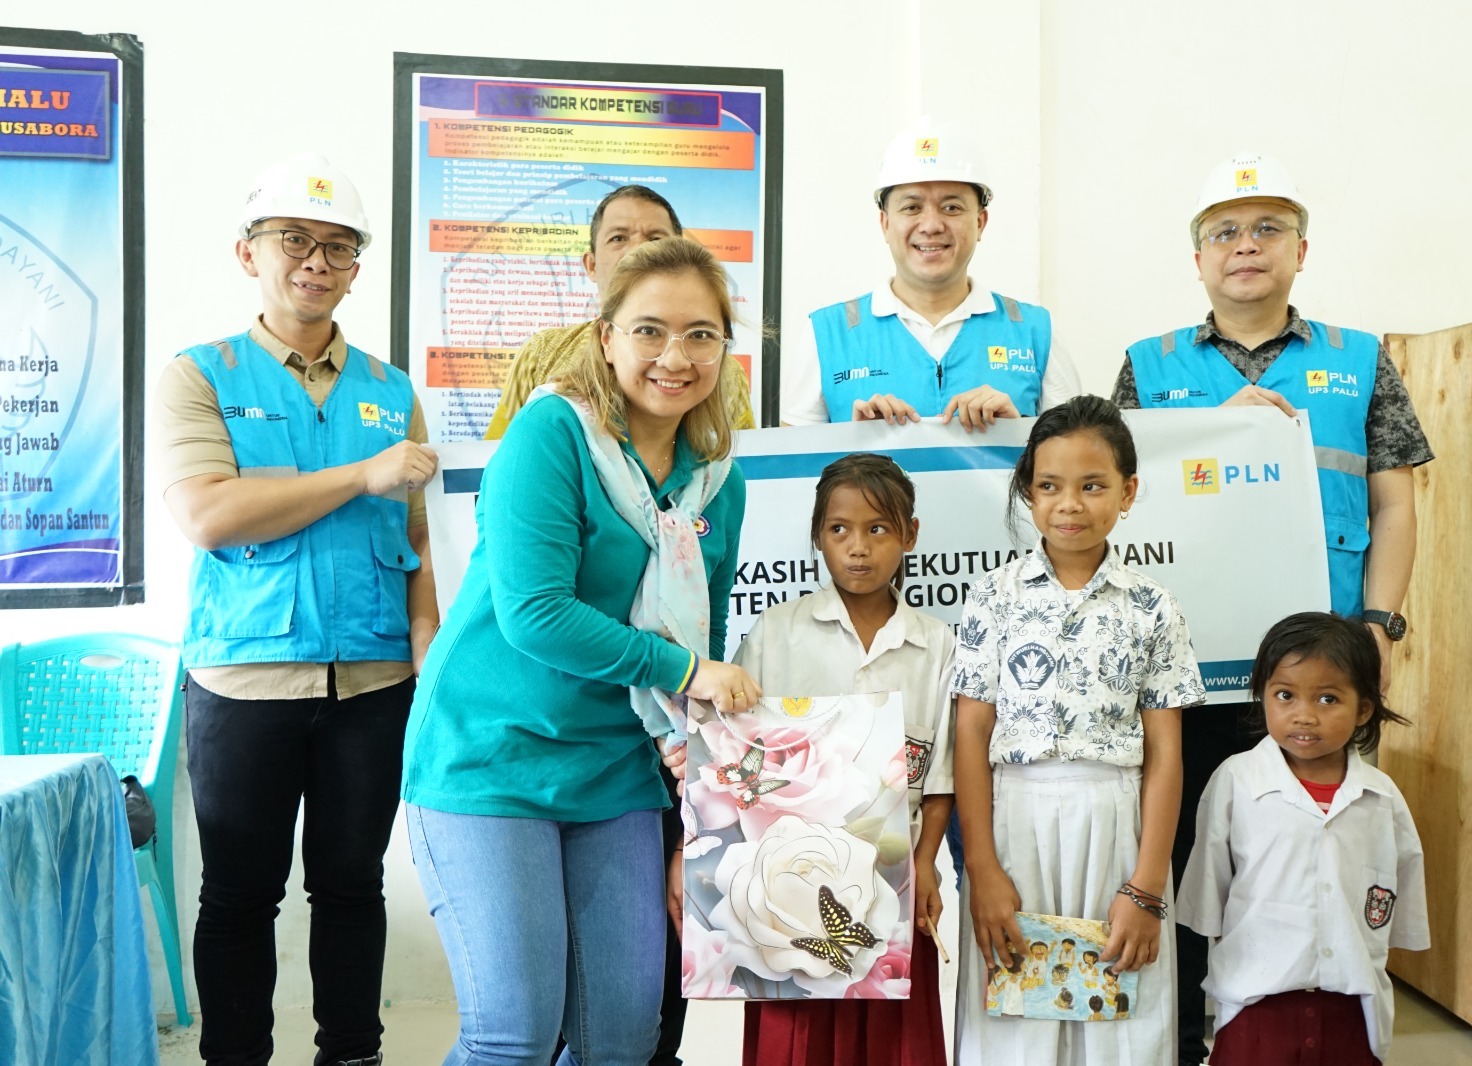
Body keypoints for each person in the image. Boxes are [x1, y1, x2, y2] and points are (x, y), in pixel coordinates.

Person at [401, 236, 761, 1065]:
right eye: (650, 331)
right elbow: (535, 614)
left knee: (621, 1041)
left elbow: (700, 632)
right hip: (490, 757)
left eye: (701, 334)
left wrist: (694, 759)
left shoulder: (719, 480)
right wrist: (685, 673)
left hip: (614, 769)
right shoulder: (552, 433)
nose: (676, 356)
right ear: (607, 337)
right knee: (513, 1037)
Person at [1112, 151, 1434, 1066]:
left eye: (1267, 229)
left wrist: (1380, 623)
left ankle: (1324, 1033)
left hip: (1319, 672)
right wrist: (1227, 433)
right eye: (1225, 232)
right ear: (1199, 259)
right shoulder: (1147, 365)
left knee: (1316, 855)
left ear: (1300, 250)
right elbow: (1118, 498)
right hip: (1189, 668)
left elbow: (1395, 502)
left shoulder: (1359, 360)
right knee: (1188, 854)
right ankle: (1189, 1039)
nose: (1245, 246)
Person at [158, 153, 438, 1066]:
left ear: (356, 267)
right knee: (240, 893)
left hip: (374, 678)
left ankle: (351, 1054)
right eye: (294, 240)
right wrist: (360, 474)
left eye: (339, 247)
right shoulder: (201, 374)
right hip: (244, 678)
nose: (317, 261)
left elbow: (420, 537)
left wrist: (429, 656)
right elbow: (210, 513)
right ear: (249, 253)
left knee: (354, 887)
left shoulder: (391, 390)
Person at [951, 396, 1206, 1063]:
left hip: (1117, 825)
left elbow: (1166, 754)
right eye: (1049, 486)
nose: (1069, 504)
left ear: (1128, 492)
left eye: (1093, 486)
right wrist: (982, 868)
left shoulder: (1153, 607)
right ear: (1027, 494)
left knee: (1120, 1014)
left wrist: (1145, 886)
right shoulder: (993, 596)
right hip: (1015, 823)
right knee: (1015, 1022)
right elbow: (970, 735)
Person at [733, 453, 955, 1066]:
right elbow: (738, 759)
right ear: (817, 536)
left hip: (895, 885)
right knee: (795, 1043)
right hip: (789, 887)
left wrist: (927, 864)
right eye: (839, 529)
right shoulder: (775, 634)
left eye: (878, 529)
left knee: (892, 1043)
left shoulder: (936, 645)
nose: (858, 547)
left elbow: (941, 778)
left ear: (910, 534)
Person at [1176, 612, 1429, 1064]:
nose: (1305, 716)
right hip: (1256, 1003)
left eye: (1328, 698)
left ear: (1364, 709)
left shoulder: (1382, 796)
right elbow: (1207, 892)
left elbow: (1399, 887)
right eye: (1285, 695)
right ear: (1262, 696)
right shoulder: (1236, 781)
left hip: (1352, 1003)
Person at [781, 117, 1081, 431]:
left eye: (952, 208)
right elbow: (791, 460)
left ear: (980, 222)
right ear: (885, 223)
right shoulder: (827, 334)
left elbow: (1079, 454)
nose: (932, 225)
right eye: (912, 208)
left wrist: (1018, 433)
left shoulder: (1036, 332)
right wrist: (856, 442)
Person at [484, 184, 755, 439]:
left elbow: (748, 462)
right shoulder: (541, 354)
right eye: (618, 238)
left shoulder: (723, 373)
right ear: (591, 265)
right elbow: (492, 458)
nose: (638, 249)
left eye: (656, 239)